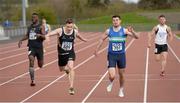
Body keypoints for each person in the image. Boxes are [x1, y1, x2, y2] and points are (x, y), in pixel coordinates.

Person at [94, 15, 139, 97]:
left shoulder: (124, 31)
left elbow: (137, 37)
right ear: (112, 22)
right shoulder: (108, 31)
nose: (115, 21)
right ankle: (111, 82)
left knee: (121, 74)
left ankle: (121, 90)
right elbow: (101, 39)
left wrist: (132, 31)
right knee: (112, 75)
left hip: (121, 56)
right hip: (111, 55)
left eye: (117, 20)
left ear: (120, 21)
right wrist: (97, 49)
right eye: (114, 20)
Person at [47, 18, 87, 95]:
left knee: (71, 67)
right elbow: (51, 33)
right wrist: (47, 36)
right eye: (68, 27)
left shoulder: (74, 31)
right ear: (65, 25)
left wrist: (84, 39)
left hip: (70, 53)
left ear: (72, 26)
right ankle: (66, 70)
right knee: (61, 69)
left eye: (71, 27)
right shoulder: (60, 30)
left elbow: (78, 36)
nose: (69, 29)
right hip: (61, 54)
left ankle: (71, 87)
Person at [18, 13, 46, 86]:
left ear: (37, 18)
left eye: (34, 17)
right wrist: (21, 40)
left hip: (39, 48)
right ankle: (32, 80)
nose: (32, 19)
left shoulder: (41, 26)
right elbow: (27, 35)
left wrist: (40, 35)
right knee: (31, 60)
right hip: (31, 47)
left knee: (40, 65)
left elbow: (44, 37)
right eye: (32, 17)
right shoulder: (29, 27)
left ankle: (41, 61)